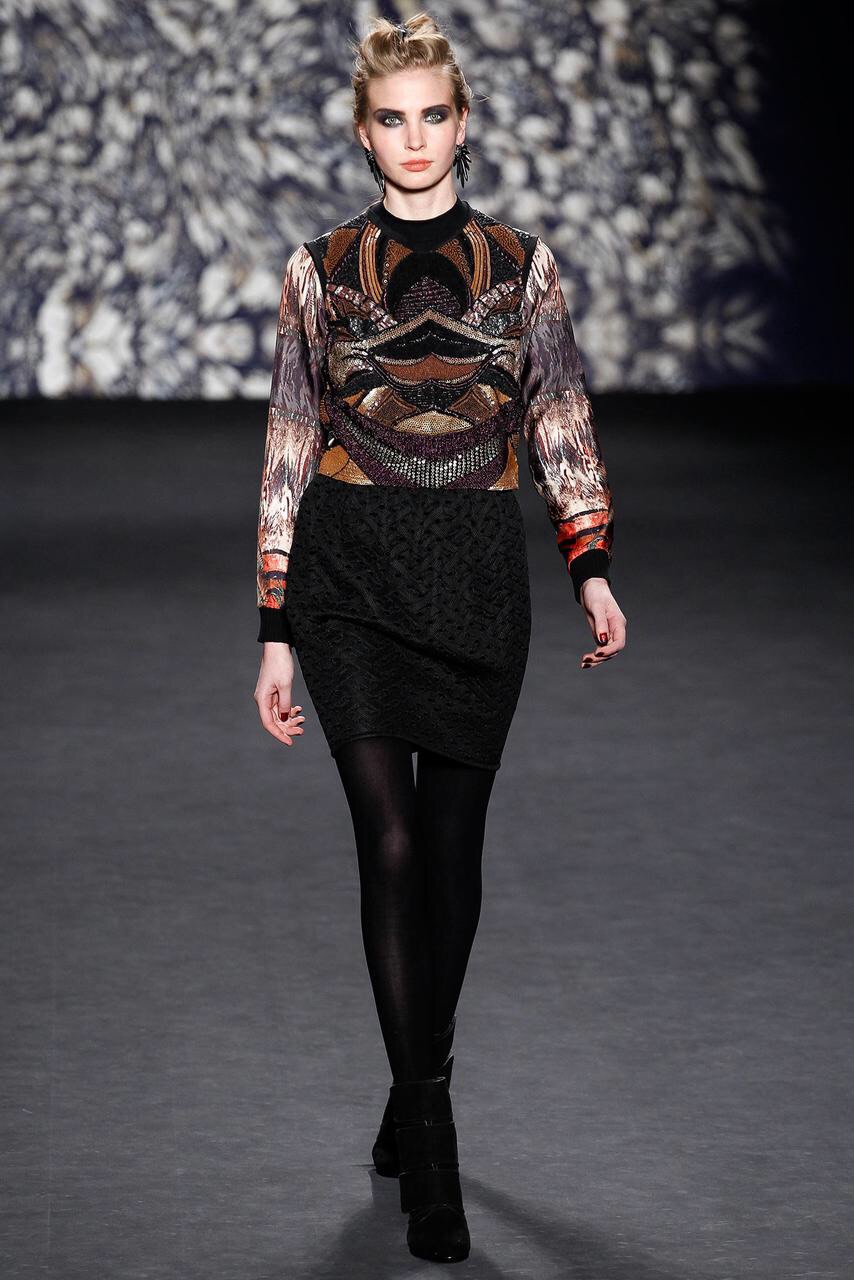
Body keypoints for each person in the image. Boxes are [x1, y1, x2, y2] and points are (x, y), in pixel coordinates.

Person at [252, 11, 627, 1265]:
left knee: (453, 857)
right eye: (389, 119)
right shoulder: (318, 268)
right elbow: (290, 438)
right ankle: (431, 1132)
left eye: (431, 115)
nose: (412, 138)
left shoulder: (523, 265)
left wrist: (588, 562)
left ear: (461, 123)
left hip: (473, 573)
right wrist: (272, 623)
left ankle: (413, 1072)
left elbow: (558, 415)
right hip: (348, 573)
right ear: (363, 133)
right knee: (393, 839)